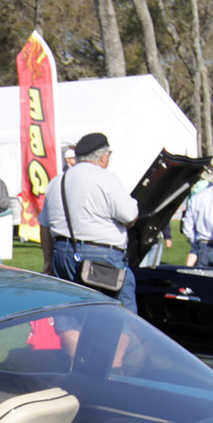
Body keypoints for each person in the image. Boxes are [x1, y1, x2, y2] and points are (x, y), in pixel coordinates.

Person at [43, 131, 141, 309]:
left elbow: (44, 225)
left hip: (62, 254)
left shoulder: (57, 181)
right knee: (122, 318)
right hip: (101, 258)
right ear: (103, 156)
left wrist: (48, 261)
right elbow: (129, 216)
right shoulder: (106, 178)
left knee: (72, 316)